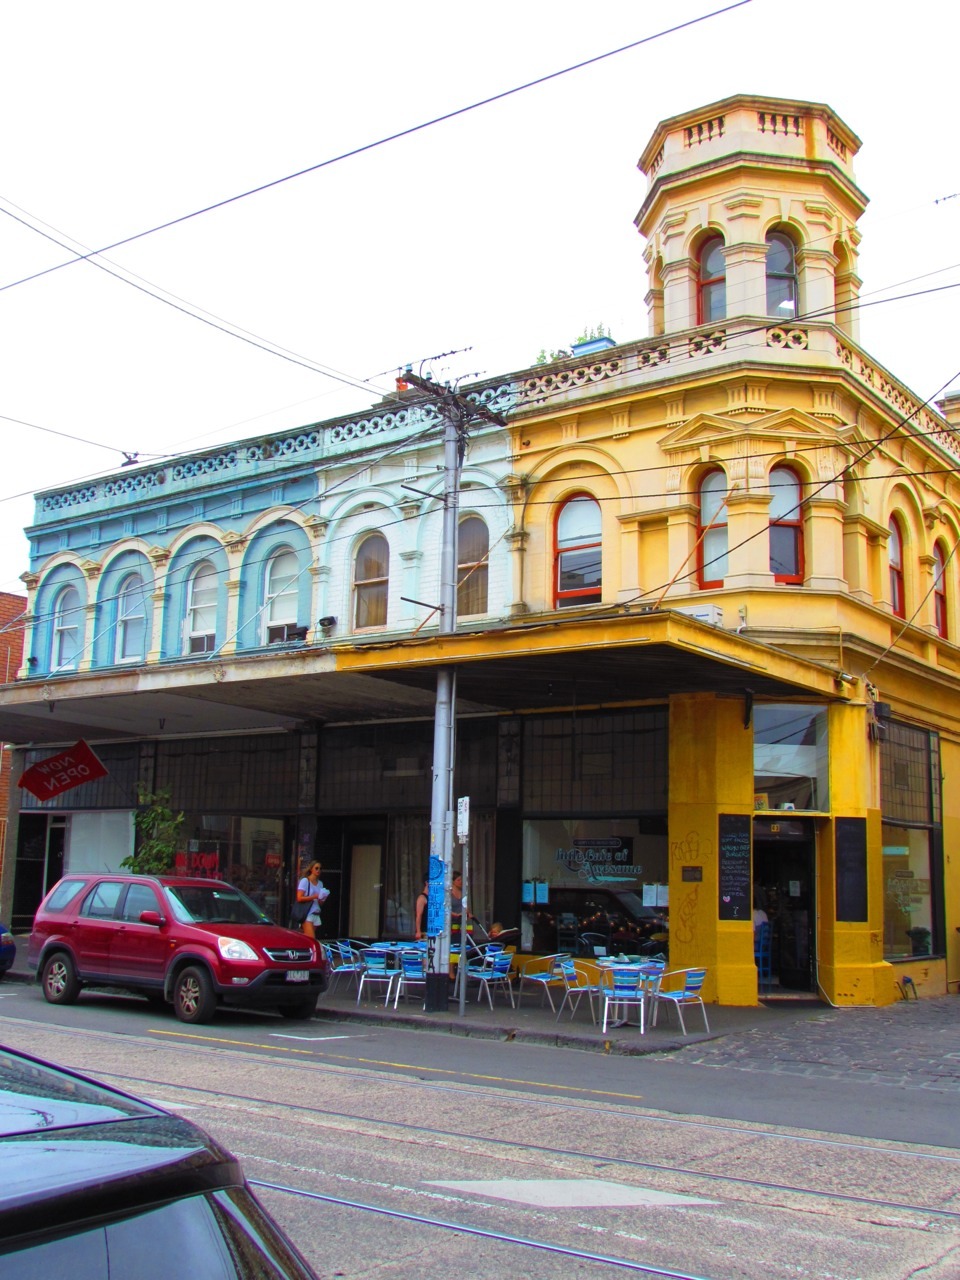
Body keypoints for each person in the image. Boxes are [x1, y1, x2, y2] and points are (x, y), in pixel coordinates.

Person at [296, 861, 329, 940]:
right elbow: (299, 898)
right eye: (316, 868)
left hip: (316, 912)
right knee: (312, 939)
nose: (318, 870)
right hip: (307, 913)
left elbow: (320, 902)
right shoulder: (305, 881)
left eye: (320, 869)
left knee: (307, 939)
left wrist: (323, 898)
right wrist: (314, 896)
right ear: (311, 869)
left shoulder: (320, 883)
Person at [414, 875, 430, 941]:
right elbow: (419, 915)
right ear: (427, 883)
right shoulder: (422, 898)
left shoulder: (433, 898)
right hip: (424, 932)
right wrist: (418, 931)